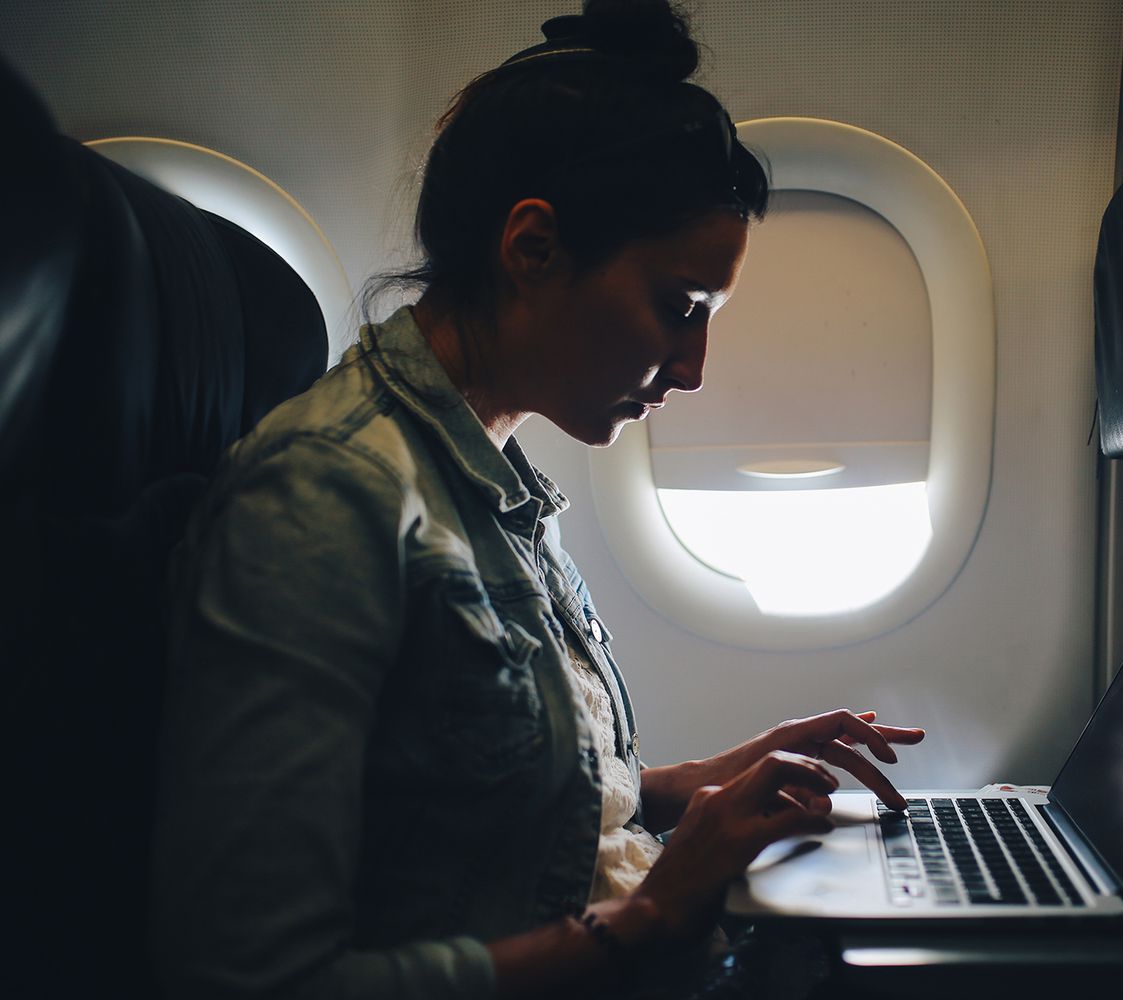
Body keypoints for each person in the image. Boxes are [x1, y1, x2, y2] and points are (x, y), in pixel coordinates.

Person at [150, 2, 925, 998]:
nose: (691, 369)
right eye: (679, 309)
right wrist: (650, 917)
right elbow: (249, 978)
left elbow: (470, 804)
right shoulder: (322, 500)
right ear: (533, 248)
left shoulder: (490, 479)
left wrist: (708, 787)